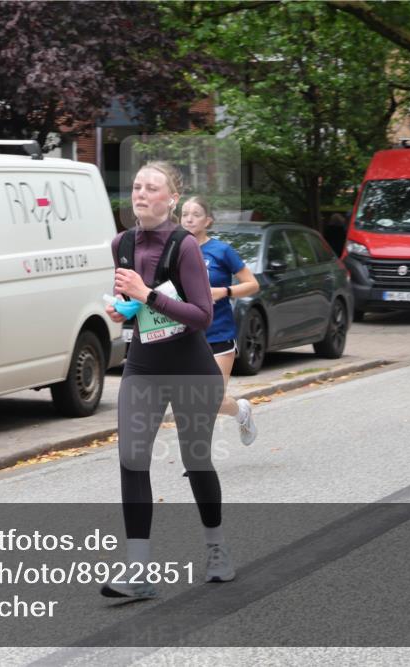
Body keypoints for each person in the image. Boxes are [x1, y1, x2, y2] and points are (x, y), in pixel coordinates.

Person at [103, 161, 234, 599]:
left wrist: (147, 294)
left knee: (196, 461)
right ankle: (138, 573)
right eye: (137, 186)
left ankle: (216, 548)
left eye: (152, 187)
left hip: (189, 366)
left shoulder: (186, 246)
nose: (141, 193)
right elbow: (134, 307)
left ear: (171, 199)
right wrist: (123, 307)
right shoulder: (120, 244)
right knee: (131, 458)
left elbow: (202, 316)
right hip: (143, 365)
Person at [179, 196, 260, 445]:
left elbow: (252, 284)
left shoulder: (221, 251)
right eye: (184, 214)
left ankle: (241, 412)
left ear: (208, 220)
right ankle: (195, 456)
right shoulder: (176, 251)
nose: (189, 218)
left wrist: (224, 291)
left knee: (212, 398)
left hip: (218, 332)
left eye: (195, 213)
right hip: (186, 334)